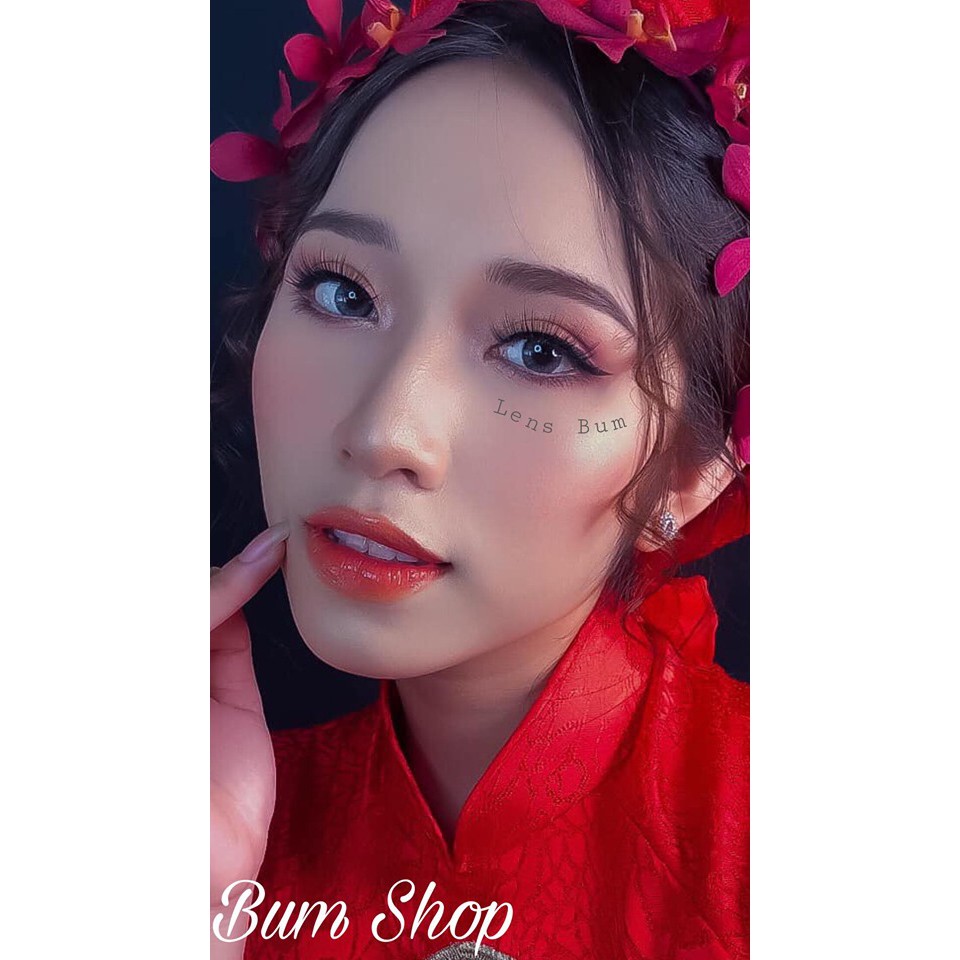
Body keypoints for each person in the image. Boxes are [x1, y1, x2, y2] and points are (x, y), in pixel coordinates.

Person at [210, 0, 750, 956]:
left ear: (694, 472)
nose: (384, 431)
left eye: (541, 350)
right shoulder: (225, 827)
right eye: (342, 291)